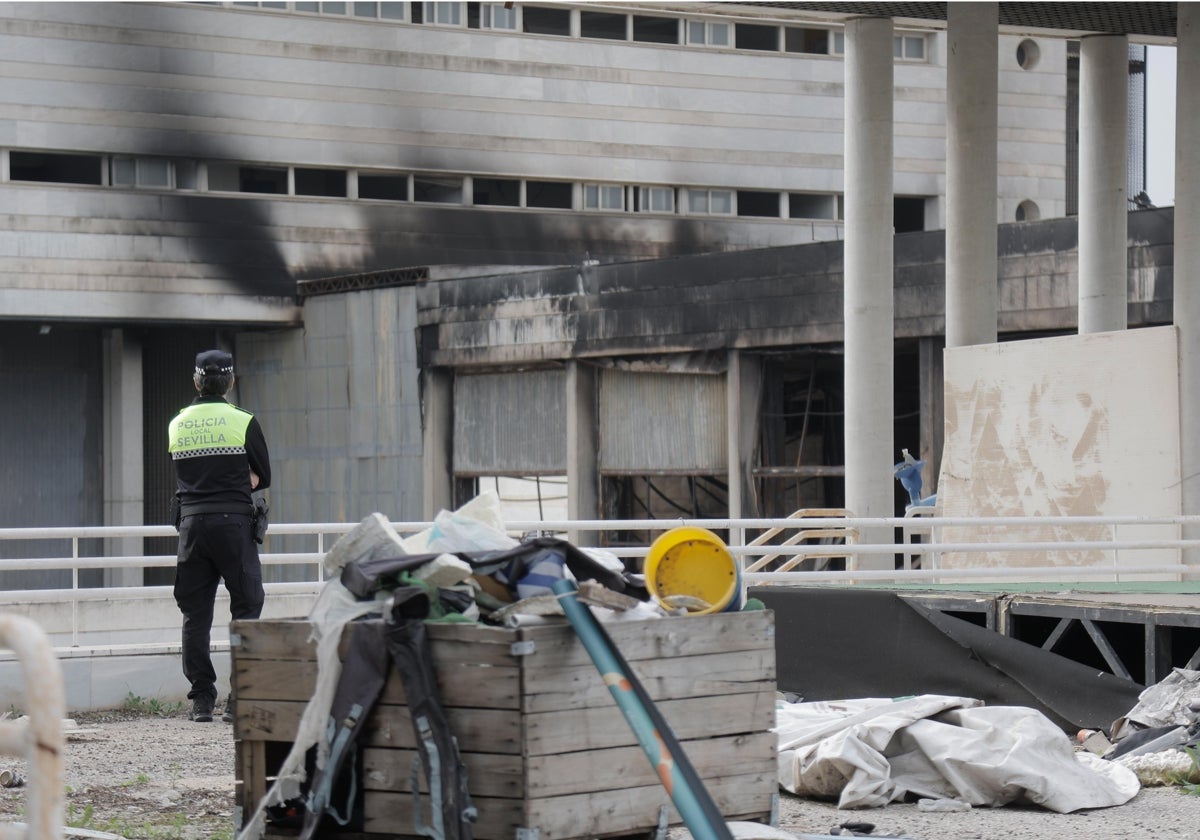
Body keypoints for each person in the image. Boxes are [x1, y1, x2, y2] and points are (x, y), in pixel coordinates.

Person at [168, 349, 271, 723]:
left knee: (195, 615)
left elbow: (184, 474)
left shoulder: (178, 423)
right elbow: (263, 476)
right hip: (233, 525)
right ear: (230, 381)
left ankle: (201, 700)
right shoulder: (243, 420)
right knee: (247, 606)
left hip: (192, 526)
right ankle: (239, 698)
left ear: (196, 381)